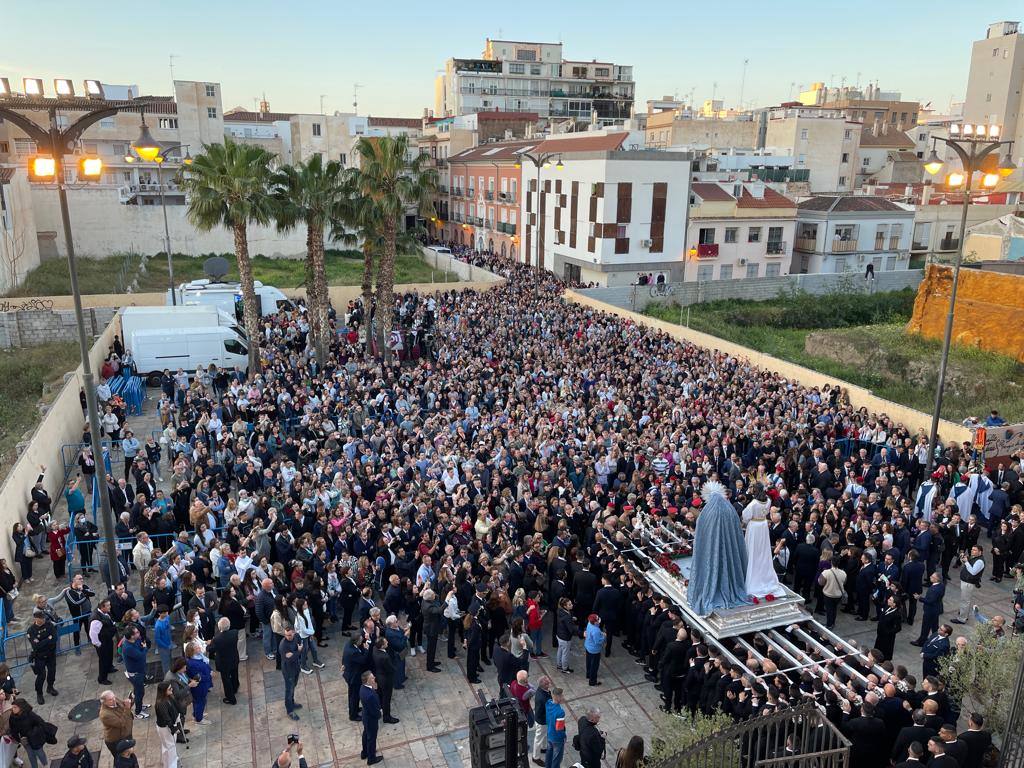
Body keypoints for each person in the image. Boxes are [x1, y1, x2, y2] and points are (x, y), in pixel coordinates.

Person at [688, 482, 748, 615]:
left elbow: (701, 534)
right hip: (729, 549)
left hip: (711, 551)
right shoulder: (730, 510)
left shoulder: (706, 512)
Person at [9, 697, 54, 768]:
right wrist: (19, 739)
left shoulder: (30, 715)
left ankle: (45, 765)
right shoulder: (12, 717)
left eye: (15, 707)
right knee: (30, 755)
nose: (12, 709)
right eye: (12, 707)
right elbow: (13, 730)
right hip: (25, 741)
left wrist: (31, 734)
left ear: (21, 707)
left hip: (35, 739)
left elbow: (41, 723)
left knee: (39, 753)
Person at [27, 610, 58, 705]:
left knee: (52, 671)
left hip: (51, 654)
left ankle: (50, 687)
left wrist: (43, 641)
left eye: (44, 618)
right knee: (41, 675)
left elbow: (54, 638)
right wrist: (47, 639)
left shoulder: (49, 625)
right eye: (41, 618)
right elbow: (36, 646)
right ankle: (39, 693)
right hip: (39, 656)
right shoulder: (31, 630)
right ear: (36, 618)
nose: (43, 619)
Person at [208, 617, 240, 705]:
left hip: (223, 662)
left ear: (219, 627)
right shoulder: (234, 633)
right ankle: (235, 687)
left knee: (226, 680)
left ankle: (231, 698)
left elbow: (210, 649)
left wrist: (210, 643)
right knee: (234, 674)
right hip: (234, 658)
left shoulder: (217, 639)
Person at [120, 626, 149, 718]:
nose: (138, 633)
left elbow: (141, 650)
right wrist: (144, 648)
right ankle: (138, 712)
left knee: (139, 691)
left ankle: (139, 705)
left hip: (140, 671)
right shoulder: (128, 647)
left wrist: (143, 648)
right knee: (139, 692)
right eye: (136, 632)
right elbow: (141, 656)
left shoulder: (135, 641)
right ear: (132, 636)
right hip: (135, 675)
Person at [154, 681, 182, 768]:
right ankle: (171, 765)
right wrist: (173, 728)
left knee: (167, 745)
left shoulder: (168, 697)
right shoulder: (161, 703)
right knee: (170, 746)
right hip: (165, 728)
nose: (172, 689)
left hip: (168, 725)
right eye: (169, 689)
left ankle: (167, 762)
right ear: (164, 691)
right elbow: (166, 718)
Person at [184, 643, 213, 727]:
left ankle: (197, 714)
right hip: (199, 686)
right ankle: (199, 719)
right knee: (200, 701)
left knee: (199, 701)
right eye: (197, 648)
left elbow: (205, 665)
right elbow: (197, 676)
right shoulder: (191, 664)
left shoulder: (199, 657)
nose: (199, 648)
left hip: (203, 684)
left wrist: (209, 670)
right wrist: (208, 676)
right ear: (192, 652)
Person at [89, 598, 117, 684]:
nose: (110, 607)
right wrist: (99, 644)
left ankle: (109, 668)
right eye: (108, 606)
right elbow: (93, 634)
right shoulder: (96, 619)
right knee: (103, 660)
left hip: (107, 639)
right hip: (102, 643)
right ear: (102, 607)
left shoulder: (105, 613)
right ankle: (102, 678)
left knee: (109, 655)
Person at [954, 544, 985, 623]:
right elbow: (967, 565)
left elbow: (973, 572)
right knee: (964, 600)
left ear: (980, 552)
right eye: (972, 549)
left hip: (969, 583)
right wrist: (963, 559)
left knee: (965, 601)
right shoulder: (974, 557)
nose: (972, 551)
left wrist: (967, 562)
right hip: (966, 581)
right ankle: (964, 613)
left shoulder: (980, 561)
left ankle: (962, 619)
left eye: (974, 550)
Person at [98, 691, 134, 758]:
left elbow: (124, 706)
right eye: (110, 699)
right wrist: (127, 708)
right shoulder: (105, 714)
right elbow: (121, 723)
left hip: (126, 733)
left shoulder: (114, 700)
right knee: (121, 758)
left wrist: (130, 701)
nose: (114, 700)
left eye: (114, 697)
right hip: (117, 740)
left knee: (131, 754)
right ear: (104, 702)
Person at [279, 626, 303, 721]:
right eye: (286, 635)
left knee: (294, 686)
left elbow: (301, 643)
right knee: (289, 690)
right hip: (288, 671)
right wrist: (298, 651)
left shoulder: (296, 636)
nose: (288, 637)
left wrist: (295, 653)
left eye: (289, 635)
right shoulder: (283, 645)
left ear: (293, 633)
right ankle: (289, 710)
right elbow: (288, 659)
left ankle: (292, 703)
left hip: (296, 668)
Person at [359, 671, 383, 765]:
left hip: (366, 716)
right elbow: (374, 709)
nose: (374, 678)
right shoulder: (370, 695)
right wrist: (379, 714)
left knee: (366, 734)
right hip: (371, 719)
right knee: (371, 738)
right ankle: (371, 758)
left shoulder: (362, 688)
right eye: (372, 678)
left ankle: (364, 752)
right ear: (367, 681)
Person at [532, 675, 552, 767]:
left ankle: (544, 748)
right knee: (538, 739)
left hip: (544, 720)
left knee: (544, 735)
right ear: (543, 685)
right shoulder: (542, 697)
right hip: (542, 721)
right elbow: (541, 712)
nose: (549, 683)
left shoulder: (543, 691)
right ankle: (535, 757)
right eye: (547, 682)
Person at [545, 686, 567, 768]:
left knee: (549, 755)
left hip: (549, 734)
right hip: (557, 739)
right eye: (561, 696)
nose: (563, 697)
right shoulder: (560, 712)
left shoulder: (548, 703)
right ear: (557, 697)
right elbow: (559, 728)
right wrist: (564, 736)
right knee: (557, 759)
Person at [554, 598, 576, 674]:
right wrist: (581, 633)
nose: (572, 605)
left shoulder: (560, 611)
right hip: (565, 637)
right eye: (569, 604)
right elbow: (572, 630)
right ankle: (565, 668)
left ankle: (559, 664)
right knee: (565, 654)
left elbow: (564, 620)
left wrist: (571, 618)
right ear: (565, 606)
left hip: (559, 635)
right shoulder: (566, 616)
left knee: (560, 650)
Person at [583, 614, 605, 687]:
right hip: (594, 650)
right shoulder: (596, 631)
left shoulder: (589, 624)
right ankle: (592, 681)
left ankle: (588, 674)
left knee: (588, 661)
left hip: (588, 646)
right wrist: (603, 636)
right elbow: (598, 641)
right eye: (598, 620)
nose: (599, 621)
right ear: (595, 622)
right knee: (594, 666)